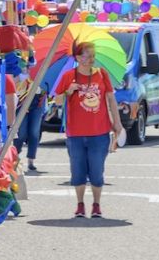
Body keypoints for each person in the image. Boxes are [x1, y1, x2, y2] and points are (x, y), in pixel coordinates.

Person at [54, 40, 126, 219]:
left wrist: (117, 123)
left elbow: (111, 99)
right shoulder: (68, 76)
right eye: (86, 56)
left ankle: (96, 204)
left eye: (93, 56)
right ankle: (80, 205)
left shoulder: (102, 74)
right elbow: (57, 101)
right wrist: (68, 91)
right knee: (77, 171)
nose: (90, 59)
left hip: (99, 132)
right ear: (77, 57)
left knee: (96, 171)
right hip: (75, 133)